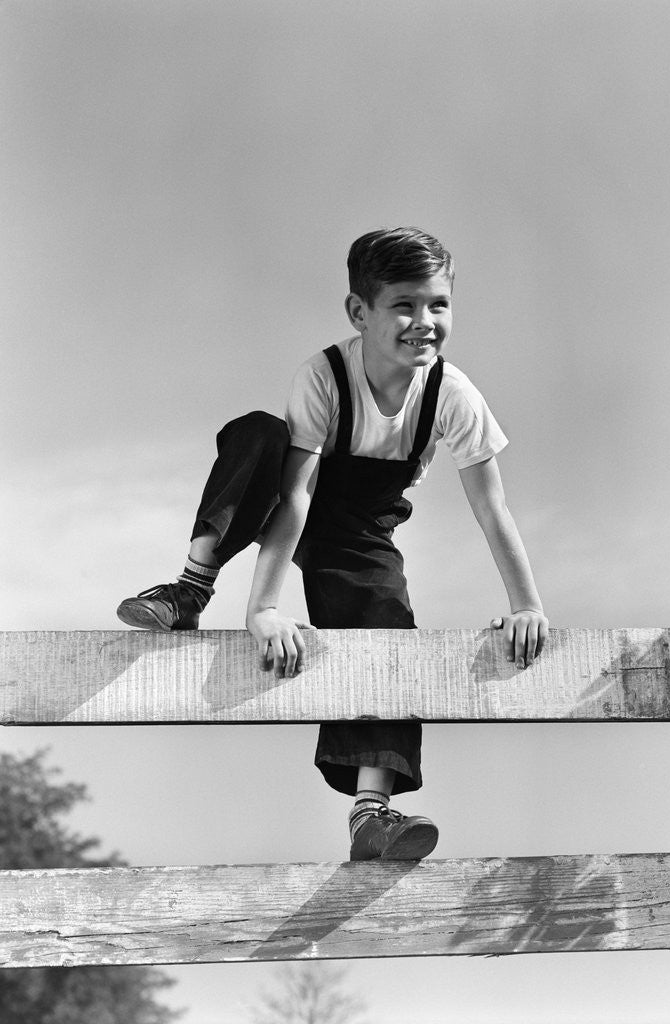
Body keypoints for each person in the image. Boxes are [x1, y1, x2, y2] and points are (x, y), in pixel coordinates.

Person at [117, 227, 550, 862]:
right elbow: (295, 499)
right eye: (403, 304)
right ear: (359, 312)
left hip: (361, 532)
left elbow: (491, 506)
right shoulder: (323, 376)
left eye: (438, 305)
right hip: (293, 493)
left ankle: (372, 814)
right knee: (259, 433)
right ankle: (190, 587)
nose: (423, 321)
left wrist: (527, 605)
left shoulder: (451, 394)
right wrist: (262, 609)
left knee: (387, 628)